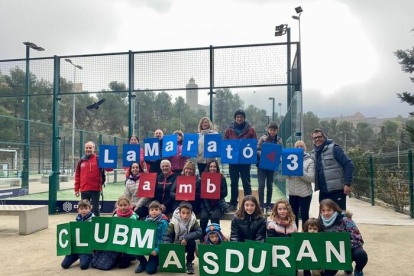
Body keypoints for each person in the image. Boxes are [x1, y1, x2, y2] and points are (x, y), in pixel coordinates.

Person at [319, 199, 368, 276]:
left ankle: (358, 270)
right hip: (331, 254)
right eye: (323, 210)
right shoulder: (319, 222)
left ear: (334, 210)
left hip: (348, 249)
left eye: (329, 210)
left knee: (361, 255)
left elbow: (358, 239)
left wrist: (343, 247)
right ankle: (347, 265)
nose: (326, 213)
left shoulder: (345, 220)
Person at [91, 196, 138, 270]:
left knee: (123, 265)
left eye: (125, 205)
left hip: (128, 243)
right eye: (121, 205)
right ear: (117, 206)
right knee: (117, 262)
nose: (123, 207)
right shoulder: (115, 216)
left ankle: (132, 256)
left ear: (129, 205)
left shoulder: (133, 217)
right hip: (118, 243)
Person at [312, 129, 354, 210]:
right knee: (324, 217)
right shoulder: (314, 153)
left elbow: (349, 164)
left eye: (319, 137)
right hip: (323, 191)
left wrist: (347, 183)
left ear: (324, 137)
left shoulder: (335, 149)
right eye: (315, 138)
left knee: (339, 216)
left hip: (337, 190)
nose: (317, 139)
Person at [225, 109, 258, 212]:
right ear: (235, 118)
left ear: (244, 118)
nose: (239, 118)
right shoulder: (229, 130)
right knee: (233, 182)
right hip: (233, 161)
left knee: (246, 183)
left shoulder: (251, 130)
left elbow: (254, 144)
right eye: (238, 117)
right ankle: (233, 203)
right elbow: (226, 144)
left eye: (241, 117)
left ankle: (249, 204)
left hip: (245, 161)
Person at [164, 202, 202, 275]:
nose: (185, 215)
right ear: (179, 212)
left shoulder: (193, 220)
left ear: (191, 213)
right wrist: (167, 246)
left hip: (187, 243)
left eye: (188, 213)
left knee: (192, 242)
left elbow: (199, 232)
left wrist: (186, 238)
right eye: (183, 213)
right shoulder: (173, 222)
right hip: (177, 243)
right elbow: (167, 235)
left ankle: (189, 262)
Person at [74, 141, 110, 217]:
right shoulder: (81, 161)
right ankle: (84, 223)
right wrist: (76, 189)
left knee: (96, 208)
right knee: (83, 208)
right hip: (84, 189)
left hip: (95, 189)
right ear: (85, 149)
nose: (88, 149)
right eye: (87, 148)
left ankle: (97, 225)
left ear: (93, 149)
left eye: (90, 148)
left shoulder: (99, 159)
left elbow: (108, 169)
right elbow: (77, 176)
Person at [135, 200, 169, 274]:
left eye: (156, 210)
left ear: (160, 210)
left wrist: (157, 250)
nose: (154, 211)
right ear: (149, 211)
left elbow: (164, 239)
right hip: (147, 247)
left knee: (150, 270)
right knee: (134, 248)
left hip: (156, 249)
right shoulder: (146, 221)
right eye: (152, 210)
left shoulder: (164, 223)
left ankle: (157, 260)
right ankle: (143, 262)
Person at [257, 121, 283, 213]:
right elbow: (258, 149)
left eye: (274, 130)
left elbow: (280, 153)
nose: (272, 132)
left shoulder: (279, 140)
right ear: (268, 130)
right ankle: (261, 205)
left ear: (277, 131)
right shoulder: (262, 138)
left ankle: (268, 205)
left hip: (272, 166)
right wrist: (263, 155)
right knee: (261, 185)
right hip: (262, 165)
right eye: (271, 130)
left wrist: (278, 159)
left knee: (270, 185)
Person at [288, 140, 315, 228]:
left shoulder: (310, 161)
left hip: (305, 194)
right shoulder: (289, 160)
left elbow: (311, 178)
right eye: (297, 146)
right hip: (292, 193)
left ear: (305, 148)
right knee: (293, 216)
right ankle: (294, 236)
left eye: (301, 146)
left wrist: (300, 171)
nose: (299, 148)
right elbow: (285, 177)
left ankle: (305, 235)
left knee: (305, 216)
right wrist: (285, 170)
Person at [61, 199, 94, 270]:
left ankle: (90, 256)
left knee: (83, 266)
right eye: (81, 209)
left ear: (90, 209)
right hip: (76, 248)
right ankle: (77, 256)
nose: (84, 210)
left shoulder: (94, 220)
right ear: (78, 210)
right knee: (64, 265)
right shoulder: (76, 220)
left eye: (86, 208)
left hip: (86, 248)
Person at [200, 160, 228, 239]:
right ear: (208, 168)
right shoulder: (204, 178)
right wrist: (208, 209)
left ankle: (216, 236)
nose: (213, 168)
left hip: (218, 204)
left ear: (217, 168)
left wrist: (215, 190)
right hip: (205, 204)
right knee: (204, 217)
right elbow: (202, 195)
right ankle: (202, 237)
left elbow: (225, 193)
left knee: (214, 217)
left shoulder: (221, 178)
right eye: (211, 167)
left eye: (214, 167)